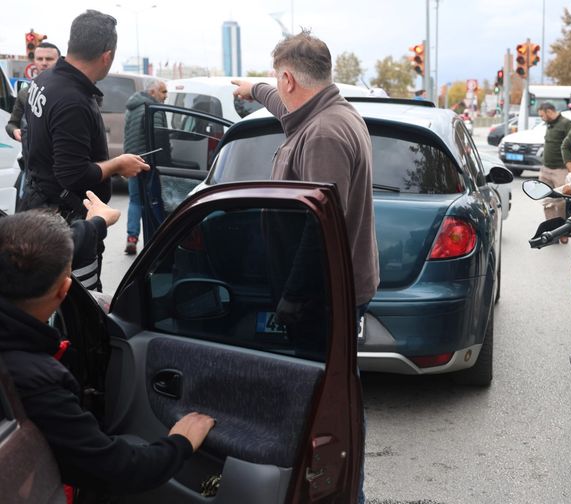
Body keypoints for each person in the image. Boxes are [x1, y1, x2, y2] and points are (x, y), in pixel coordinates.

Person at [231, 30, 378, 504]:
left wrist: (291, 301)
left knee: (327, 404)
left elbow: (319, 234)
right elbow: (284, 106)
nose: (278, 87)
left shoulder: (324, 136)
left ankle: (339, 491)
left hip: (321, 296)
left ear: (291, 76)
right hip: (330, 292)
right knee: (334, 391)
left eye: (278, 80)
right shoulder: (324, 113)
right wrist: (253, 90)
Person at [0, 209, 215, 496]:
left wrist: (95, 224)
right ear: (65, 290)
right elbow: (116, 469)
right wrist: (181, 441)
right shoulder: (34, 380)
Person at [22, 10, 149, 291]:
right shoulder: (72, 100)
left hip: (39, 208)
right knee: (79, 308)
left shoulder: (45, 80)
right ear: (107, 56)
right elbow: (73, 174)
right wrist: (118, 165)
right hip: (65, 225)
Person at [122, 78, 167, 255]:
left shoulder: (131, 108)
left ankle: (131, 238)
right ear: (152, 92)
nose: (165, 96)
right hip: (149, 163)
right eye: (163, 92)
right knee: (153, 201)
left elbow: (127, 136)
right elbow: (160, 136)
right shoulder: (153, 109)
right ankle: (155, 241)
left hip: (132, 160)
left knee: (135, 201)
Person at [5, 42, 61, 143]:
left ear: (59, 61)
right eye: (39, 59)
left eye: (49, 59)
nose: (44, 63)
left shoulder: (70, 91)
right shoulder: (25, 93)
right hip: (30, 156)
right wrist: (14, 131)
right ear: (34, 61)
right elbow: (12, 124)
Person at [537, 102, 571, 242]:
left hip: (560, 170)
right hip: (545, 169)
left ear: (549, 111)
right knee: (547, 201)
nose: (541, 118)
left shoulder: (566, 124)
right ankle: (551, 232)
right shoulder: (549, 124)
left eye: (542, 115)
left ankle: (564, 232)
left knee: (561, 203)